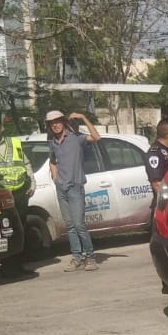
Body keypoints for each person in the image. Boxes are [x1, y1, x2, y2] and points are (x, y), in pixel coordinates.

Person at [45, 109, 100, 271]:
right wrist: (56, 180)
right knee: (70, 225)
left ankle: (90, 257)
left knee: (79, 225)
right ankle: (76, 257)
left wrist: (83, 117)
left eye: (57, 121)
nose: (55, 125)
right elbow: (53, 161)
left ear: (63, 122)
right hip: (61, 188)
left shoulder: (76, 138)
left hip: (75, 187)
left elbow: (96, 137)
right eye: (52, 123)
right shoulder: (53, 142)